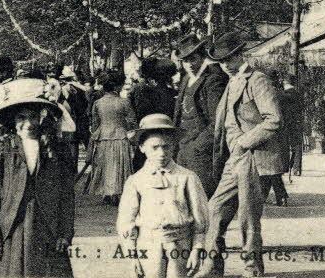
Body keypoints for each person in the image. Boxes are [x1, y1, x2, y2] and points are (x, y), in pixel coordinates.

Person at [198, 32, 283, 278]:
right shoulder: (232, 81)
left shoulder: (257, 80)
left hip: (253, 156)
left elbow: (273, 119)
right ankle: (213, 265)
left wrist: (244, 142)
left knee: (248, 216)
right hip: (234, 159)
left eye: (229, 58)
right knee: (215, 208)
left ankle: (252, 268)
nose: (225, 64)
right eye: (221, 60)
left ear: (240, 55)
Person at [0, 78, 76, 278]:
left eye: (33, 117)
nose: (28, 124)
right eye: (21, 118)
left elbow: (67, 194)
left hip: (47, 226)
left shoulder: (57, 149)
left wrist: (65, 233)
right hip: (11, 228)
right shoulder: (1, 147)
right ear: (12, 120)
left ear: (42, 117)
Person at [117, 114, 209, 278]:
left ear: (173, 147)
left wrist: (197, 249)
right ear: (142, 147)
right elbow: (126, 221)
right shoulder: (136, 181)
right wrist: (132, 256)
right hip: (148, 245)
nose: (161, 153)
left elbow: (200, 218)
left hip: (181, 244)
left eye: (166, 147)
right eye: (155, 147)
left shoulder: (187, 177)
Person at [173, 34, 228, 196]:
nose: (189, 64)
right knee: (182, 196)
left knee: (202, 195)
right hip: (182, 146)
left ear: (202, 57)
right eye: (185, 60)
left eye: (193, 59)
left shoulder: (213, 79)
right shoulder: (186, 79)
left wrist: (199, 146)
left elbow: (218, 121)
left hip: (200, 151)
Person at [84, 70, 136, 204]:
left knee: (106, 165)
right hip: (120, 136)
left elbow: (95, 124)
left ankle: (106, 192)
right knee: (119, 165)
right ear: (117, 86)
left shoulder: (98, 103)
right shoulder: (124, 102)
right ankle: (118, 192)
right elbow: (132, 122)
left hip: (103, 137)